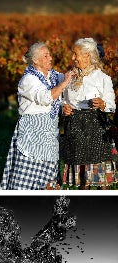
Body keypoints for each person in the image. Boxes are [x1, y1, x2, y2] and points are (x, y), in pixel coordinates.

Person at [0, 42, 74, 190]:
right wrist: (65, 82)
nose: (50, 58)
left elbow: (66, 86)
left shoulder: (52, 76)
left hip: (49, 135)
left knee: (49, 178)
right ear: (35, 60)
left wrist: (63, 106)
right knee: (27, 178)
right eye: (46, 55)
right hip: (32, 133)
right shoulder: (28, 79)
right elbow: (46, 98)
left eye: (50, 54)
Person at [61, 37, 116, 188]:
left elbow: (112, 106)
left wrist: (103, 103)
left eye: (75, 54)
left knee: (101, 182)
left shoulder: (102, 78)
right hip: (75, 128)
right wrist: (64, 108)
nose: (72, 58)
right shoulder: (69, 77)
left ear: (87, 55)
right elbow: (63, 101)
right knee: (82, 182)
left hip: (96, 128)